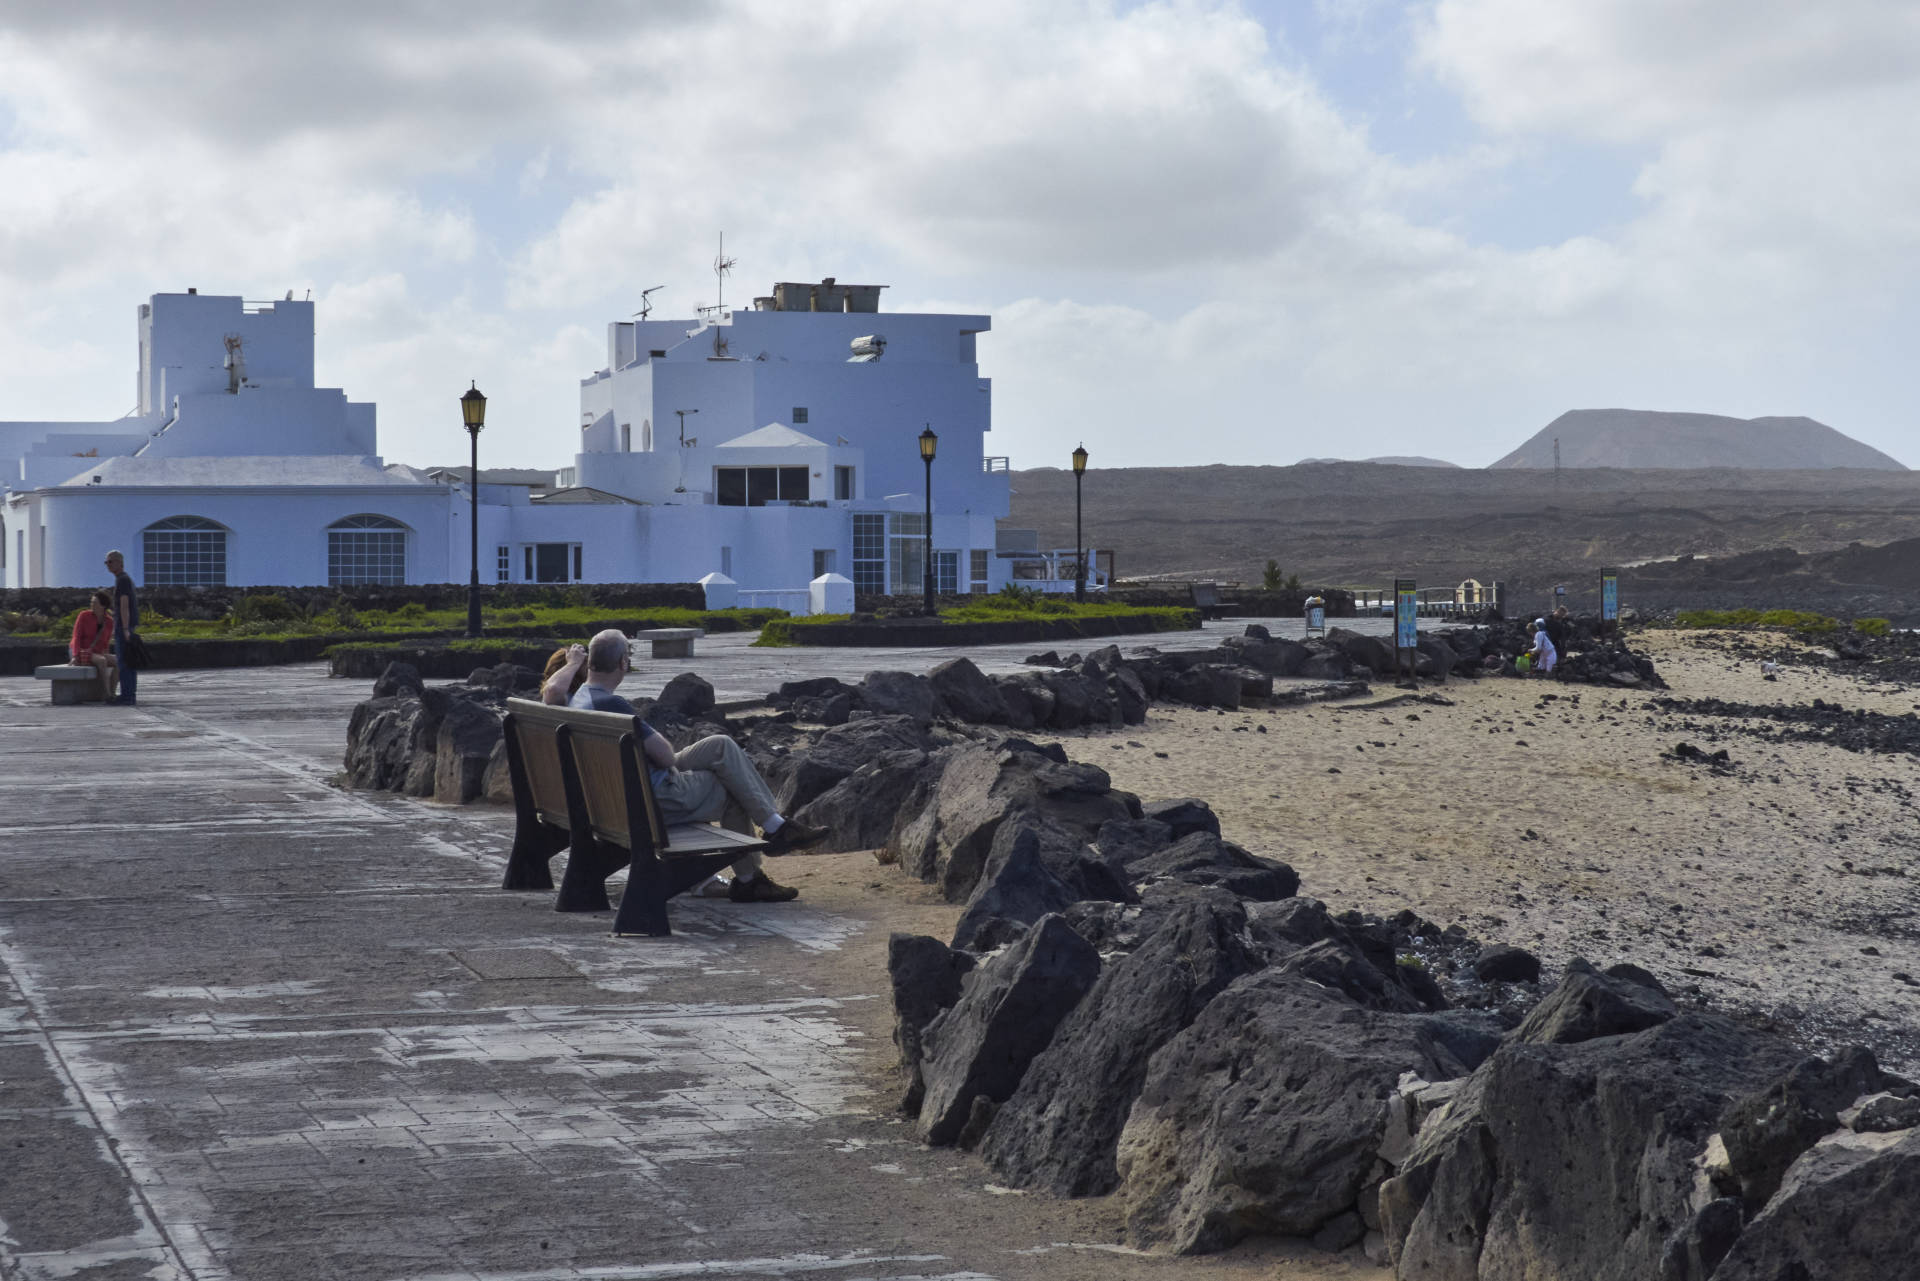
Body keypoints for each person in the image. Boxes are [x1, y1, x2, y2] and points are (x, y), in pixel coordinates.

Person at [569, 629, 826, 902]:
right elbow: (666, 757)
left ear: (591, 662)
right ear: (623, 663)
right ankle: (752, 877)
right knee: (735, 790)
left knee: (721, 745)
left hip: (614, 796)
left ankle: (775, 827)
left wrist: (572, 664)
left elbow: (551, 692)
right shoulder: (613, 705)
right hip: (653, 797)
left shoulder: (580, 699)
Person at [104, 550, 139, 705]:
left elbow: (124, 605)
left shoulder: (122, 580)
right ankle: (128, 694)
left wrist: (124, 629)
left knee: (125, 663)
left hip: (124, 628)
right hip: (123, 626)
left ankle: (127, 696)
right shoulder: (122, 580)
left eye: (110, 561)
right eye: (107, 562)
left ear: (119, 562)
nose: (108, 565)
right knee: (127, 662)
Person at [69, 590, 118, 698]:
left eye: (95, 603)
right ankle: (106, 693)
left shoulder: (109, 621)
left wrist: (106, 653)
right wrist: (75, 655)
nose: (92, 605)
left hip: (98, 652)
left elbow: (106, 641)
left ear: (103, 606)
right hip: (83, 650)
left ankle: (113, 692)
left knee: (119, 661)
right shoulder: (84, 615)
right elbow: (76, 636)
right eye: (91, 602)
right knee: (102, 660)